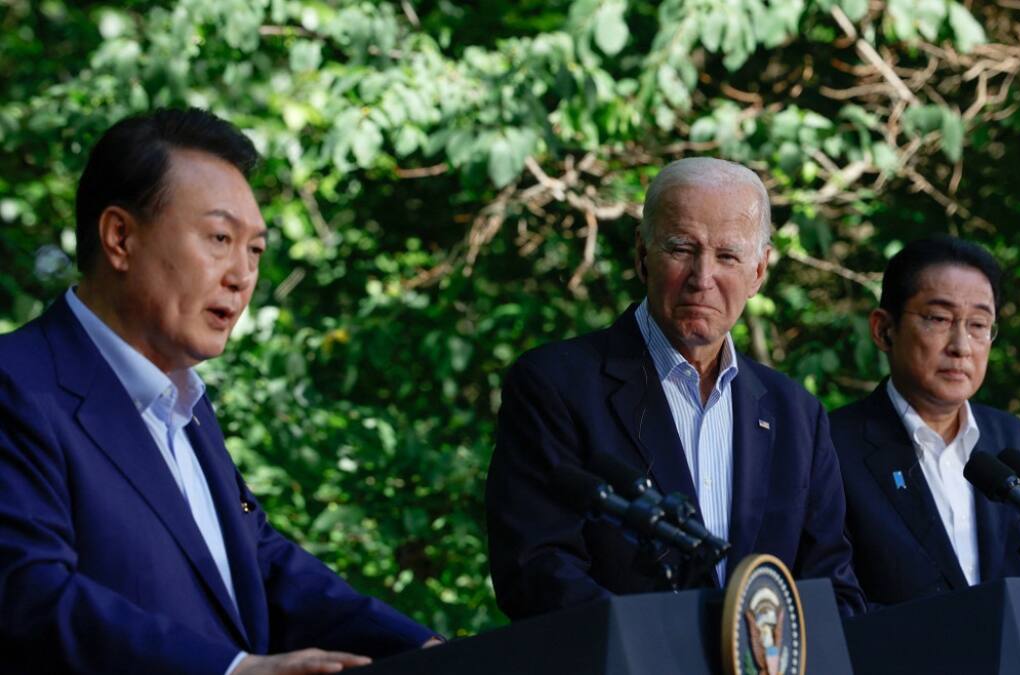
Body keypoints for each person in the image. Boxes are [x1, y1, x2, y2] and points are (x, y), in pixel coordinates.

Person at [0, 108, 439, 675]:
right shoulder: (18, 385)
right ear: (120, 237)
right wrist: (230, 670)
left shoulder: (188, 405)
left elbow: (262, 565)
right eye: (220, 238)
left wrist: (429, 653)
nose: (241, 275)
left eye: (255, 249)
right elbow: (27, 598)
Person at [486, 157, 865, 619]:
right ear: (642, 254)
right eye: (683, 249)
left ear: (759, 272)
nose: (702, 278)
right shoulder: (556, 385)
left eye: (728, 256)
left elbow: (832, 595)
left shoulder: (797, 416)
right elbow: (537, 570)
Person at [829, 235, 1020, 607]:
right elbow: (836, 603)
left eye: (979, 325)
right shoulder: (832, 446)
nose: (961, 346)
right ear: (884, 329)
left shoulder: (1017, 441)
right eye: (938, 319)